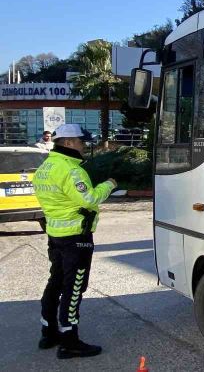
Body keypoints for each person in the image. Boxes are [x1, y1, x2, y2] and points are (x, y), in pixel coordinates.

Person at [32, 123, 116, 359]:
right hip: (76, 238)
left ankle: (48, 333)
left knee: (55, 282)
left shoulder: (46, 167)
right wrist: (108, 185)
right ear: (68, 142)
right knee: (74, 287)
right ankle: (69, 341)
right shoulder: (71, 170)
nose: (83, 145)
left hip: (56, 235)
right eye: (81, 141)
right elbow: (89, 199)